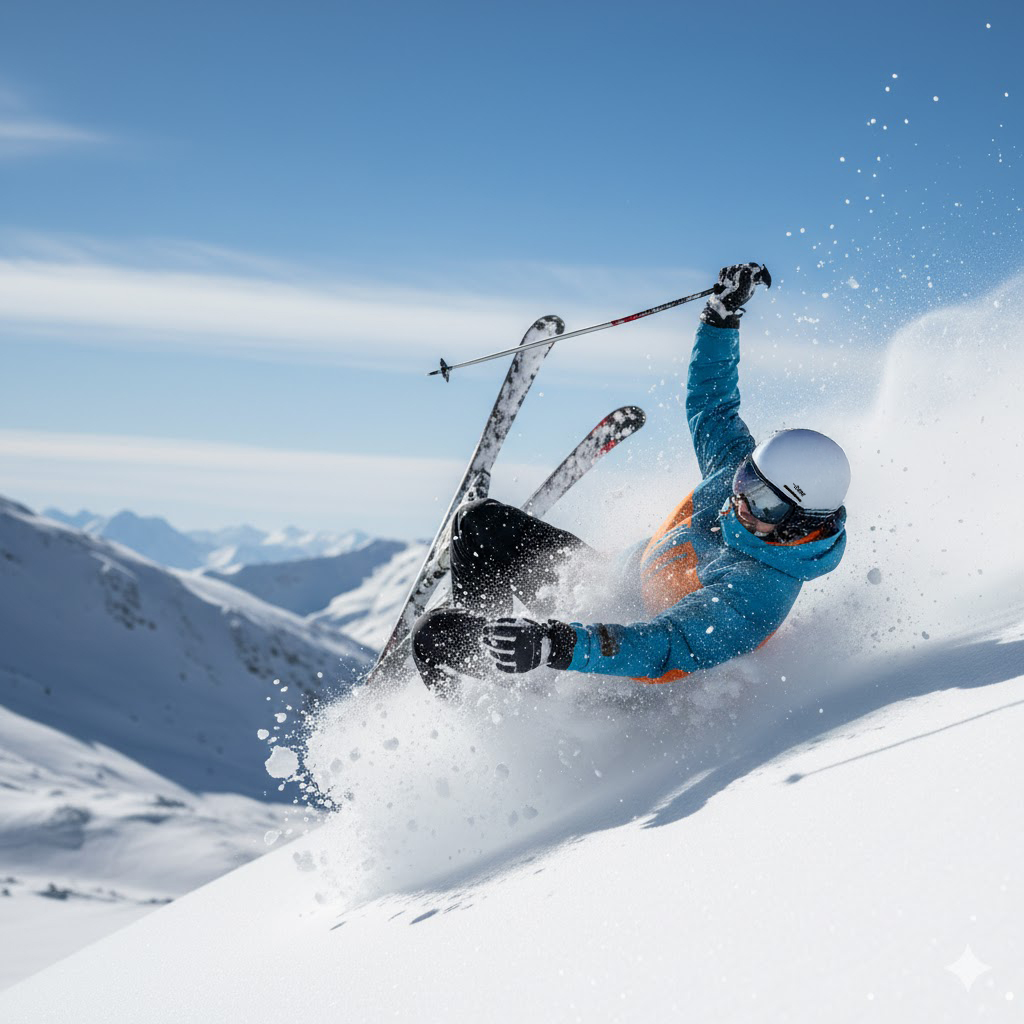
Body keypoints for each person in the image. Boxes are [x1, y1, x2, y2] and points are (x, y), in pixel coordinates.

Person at [412, 263, 850, 697]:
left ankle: (491, 697)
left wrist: (556, 644)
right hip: (606, 581)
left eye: (763, 503)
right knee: (477, 522)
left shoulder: (758, 591)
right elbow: (711, 403)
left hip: (610, 660)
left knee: (434, 633)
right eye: (745, 480)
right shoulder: (735, 480)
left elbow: (663, 647)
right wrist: (722, 317)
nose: (740, 501)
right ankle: (497, 667)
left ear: (798, 523)